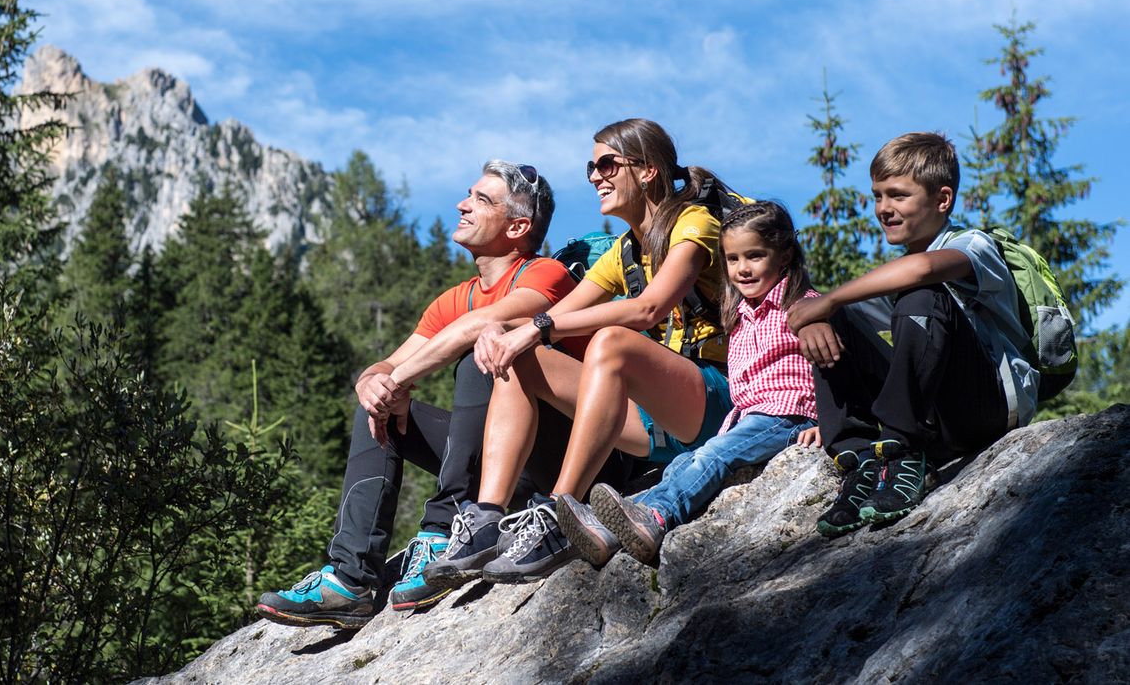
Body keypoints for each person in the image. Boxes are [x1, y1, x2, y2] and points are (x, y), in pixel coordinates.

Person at [256, 160, 583, 629]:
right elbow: (388, 364)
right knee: (378, 407)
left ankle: (442, 529)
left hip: (562, 454)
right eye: (469, 194)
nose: (462, 204)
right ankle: (350, 581)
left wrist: (394, 380)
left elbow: (480, 328)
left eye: (481, 200)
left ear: (518, 226)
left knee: (486, 349)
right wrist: (375, 384)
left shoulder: (545, 275)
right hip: (500, 452)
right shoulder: (458, 297)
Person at [423, 118, 738, 588]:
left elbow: (650, 308)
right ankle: (488, 517)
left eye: (607, 164)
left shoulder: (694, 222)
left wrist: (536, 327)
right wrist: (505, 331)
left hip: (718, 398)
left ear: (648, 169)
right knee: (520, 358)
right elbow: (549, 319)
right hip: (659, 419)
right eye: (591, 168)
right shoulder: (624, 252)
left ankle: (560, 511)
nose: (595, 176)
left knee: (612, 340)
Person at [785, 132, 1034, 536]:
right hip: (939, 417)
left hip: (986, 410)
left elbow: (921, 271)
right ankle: (861, 460)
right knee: (840, 317)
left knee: (921, 297)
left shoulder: (974, 245)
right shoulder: (897, 274)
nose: (883, 209)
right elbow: (847, 312)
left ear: (943, 199)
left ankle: (901, 449)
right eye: (877, 196)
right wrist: (821, 318)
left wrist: (826, 300)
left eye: (898, 195)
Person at [563, 201, 822, 567]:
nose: (742, 269)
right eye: (732, 260)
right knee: (680, 466)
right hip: (749, 418)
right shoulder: (743, 315)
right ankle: (606, 531)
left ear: (784, 256)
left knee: (710, 457)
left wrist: (826, 423)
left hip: (787, 416)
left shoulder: (802, 306)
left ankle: (655, 518)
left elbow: (834, 369)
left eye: (755, 256)